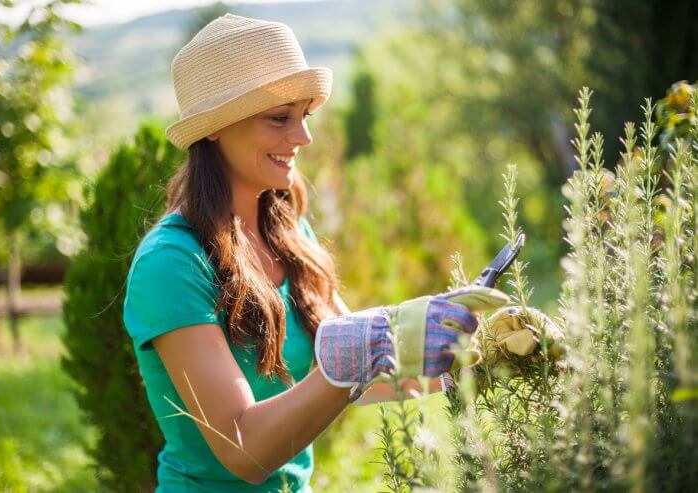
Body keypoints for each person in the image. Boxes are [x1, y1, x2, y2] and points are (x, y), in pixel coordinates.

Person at [122, 13, 507, 492]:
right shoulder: (171, 264)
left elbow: (366, 374)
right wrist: (370, 346)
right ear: (216, 128)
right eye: (280, 118)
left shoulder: (286, 229)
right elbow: (243, 447)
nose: (303, 137)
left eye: (305, 115)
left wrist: (477, 351)